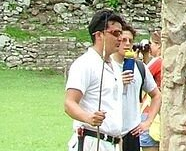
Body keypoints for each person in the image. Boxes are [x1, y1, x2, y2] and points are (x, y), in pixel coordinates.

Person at [65, 9, 127, 151]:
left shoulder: (115, 67)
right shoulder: (84, 64)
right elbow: (69, 103)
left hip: (113, 143)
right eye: (115, 33)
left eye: (121, 33)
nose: (120, 38)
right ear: (99, 35)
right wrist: (88, 118)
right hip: (91, 142)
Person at [112, 25, 161, 151]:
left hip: (132, 133)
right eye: (123, 40)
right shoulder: (105, 66)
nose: (127, 44)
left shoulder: (140, 67)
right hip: (109, 132)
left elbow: (156, 95)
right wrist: (117, 83)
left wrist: (148, 122)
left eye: (131, 41)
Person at [140, 29, 163, 151]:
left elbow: (142, 74)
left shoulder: (158, 61)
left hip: (150, 111)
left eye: (152, 44)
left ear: (158, 45)